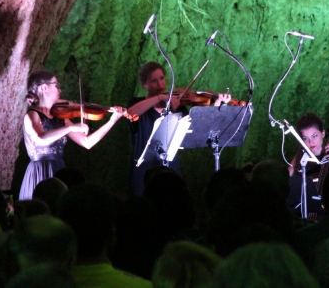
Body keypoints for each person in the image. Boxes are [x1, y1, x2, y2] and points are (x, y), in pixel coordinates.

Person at [127, 61, 231, 196]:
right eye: (154, 81)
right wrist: (160, 97)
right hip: (143, 169)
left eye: (162, 78)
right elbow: (131, 113)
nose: (160, 84)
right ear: (145, 84)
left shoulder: (178, 107)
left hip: (171, 168)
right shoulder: (137, 103)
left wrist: (217, 105)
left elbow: (199, 127)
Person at [19, 70, 126, 200]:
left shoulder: (61, 117)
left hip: (59, 170)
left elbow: (87, 143)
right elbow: (41, 138)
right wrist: (70, 127)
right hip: (39, 170)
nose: (60, 90)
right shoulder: (32, 115)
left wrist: (112, 121)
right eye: (56, 85)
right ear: (44, 88)